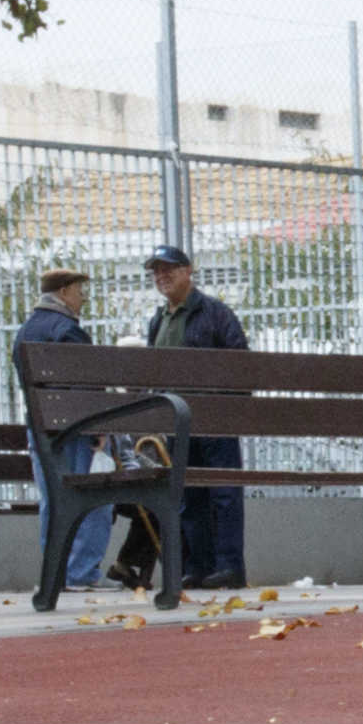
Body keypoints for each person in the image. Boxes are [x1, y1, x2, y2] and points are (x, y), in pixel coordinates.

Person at [21, 269, 140, 594]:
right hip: (74, 431)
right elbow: (85, 387)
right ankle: (81, 573)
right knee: (94, 499)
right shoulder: (68, 331)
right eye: (78, 291)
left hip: (41, 429)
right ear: (63, 292)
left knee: (53, 501)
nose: (82, 298)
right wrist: (97, 430)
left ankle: (56, 572)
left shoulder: (26, 331)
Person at [144, 244, 253, 587]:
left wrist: (225, 408)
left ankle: (229, 567)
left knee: (223, 494)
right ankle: (199, 567)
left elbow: (242, 366)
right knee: (190, 497)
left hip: (215, 420)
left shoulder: (216, 313)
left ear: (189, 271)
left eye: (170, 269)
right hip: (178, 423)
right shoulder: (157, 321)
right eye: (157, 271)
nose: (163, 276)